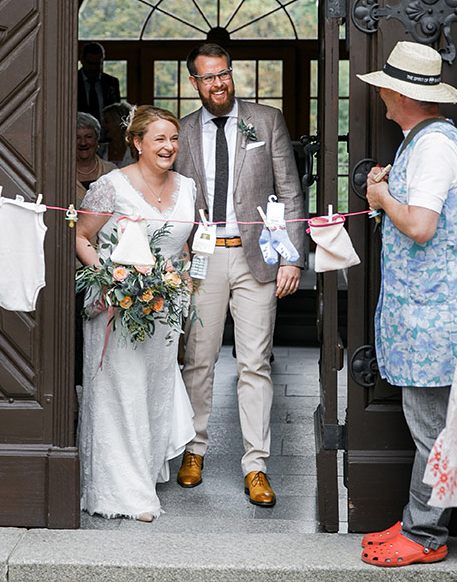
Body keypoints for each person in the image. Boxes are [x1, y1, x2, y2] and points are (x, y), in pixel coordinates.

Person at [172, 42, 306, 507]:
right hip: (202, 261)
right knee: (199, 359)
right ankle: (194, 449)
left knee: (255, 363)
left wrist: (292, 257)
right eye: (207, 78)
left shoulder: (265, 120)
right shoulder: (184, 131)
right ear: (195, 84)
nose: (218, 84)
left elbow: (289, 192)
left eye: (223, 74)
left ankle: (256, 465)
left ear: (233, 73)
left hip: (258, 260)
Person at [356, 40, 457, 567]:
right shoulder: (419, 141)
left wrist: (382, 199)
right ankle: (420, 519)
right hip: (422, 312)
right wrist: (388, 189)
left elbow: (420, 225)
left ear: (400, 93)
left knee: (433, 430)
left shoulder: (436, 144)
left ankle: (425, 535)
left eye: (385, 90)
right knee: (431, 425)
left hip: (433, 316)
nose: (382, 98)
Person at [74, 105, 196, 521]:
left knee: (154, 391)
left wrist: (185, 284)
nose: (168, 146)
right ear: (136, 142)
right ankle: (122, 493)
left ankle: (144, 472)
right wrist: (109, 279)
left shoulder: (188, 187)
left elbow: (182, 246)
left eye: (174, 138)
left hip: (164, 306)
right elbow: (82, 237)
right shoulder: (111, 186)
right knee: (121, 391)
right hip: (117, 305)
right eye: (159, 138)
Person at [77, 41, 121, 126]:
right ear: (82, 60)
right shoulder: (72, 82)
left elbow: (116, 113)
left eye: (98, 64)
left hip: (107, 134)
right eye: (90, 63)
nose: (93, 68)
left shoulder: (111, 83)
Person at [75, 112, 114, 205]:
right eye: (77, 137)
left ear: (97, 140)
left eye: (88, 137)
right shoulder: (61, 173)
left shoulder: (111, 171)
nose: (83, 143)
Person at [101, 101, 136, 167]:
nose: (103, 125)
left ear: (119, 123)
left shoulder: (136, 150)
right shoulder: (101, 150)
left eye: (107, 121)